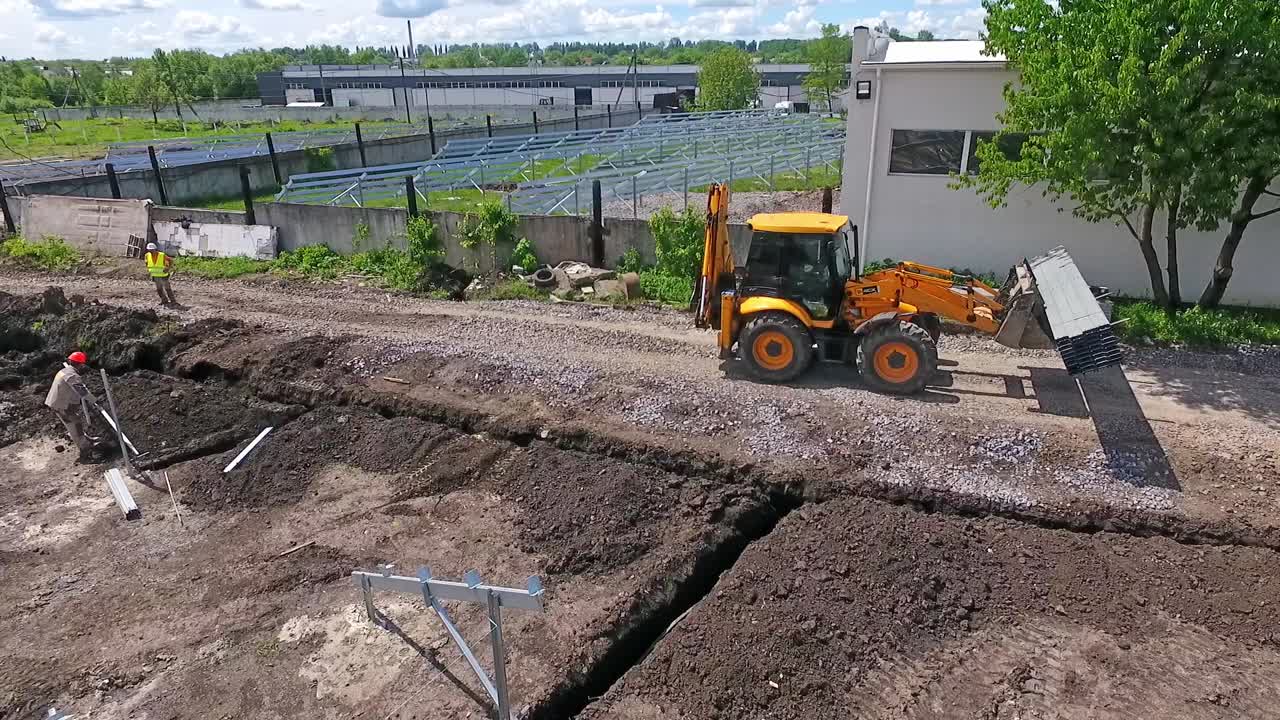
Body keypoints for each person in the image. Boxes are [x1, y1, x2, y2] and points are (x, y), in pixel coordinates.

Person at [45, 351, 105, 461]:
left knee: (76, 422)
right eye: (83, 364)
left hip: (57, 403)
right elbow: (82, 391)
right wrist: (95, 400)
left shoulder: (64, 370)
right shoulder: (72, 375)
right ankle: (86, 452)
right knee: (75, 426)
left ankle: (87, 440)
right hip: (61, 405)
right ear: (81, 364)